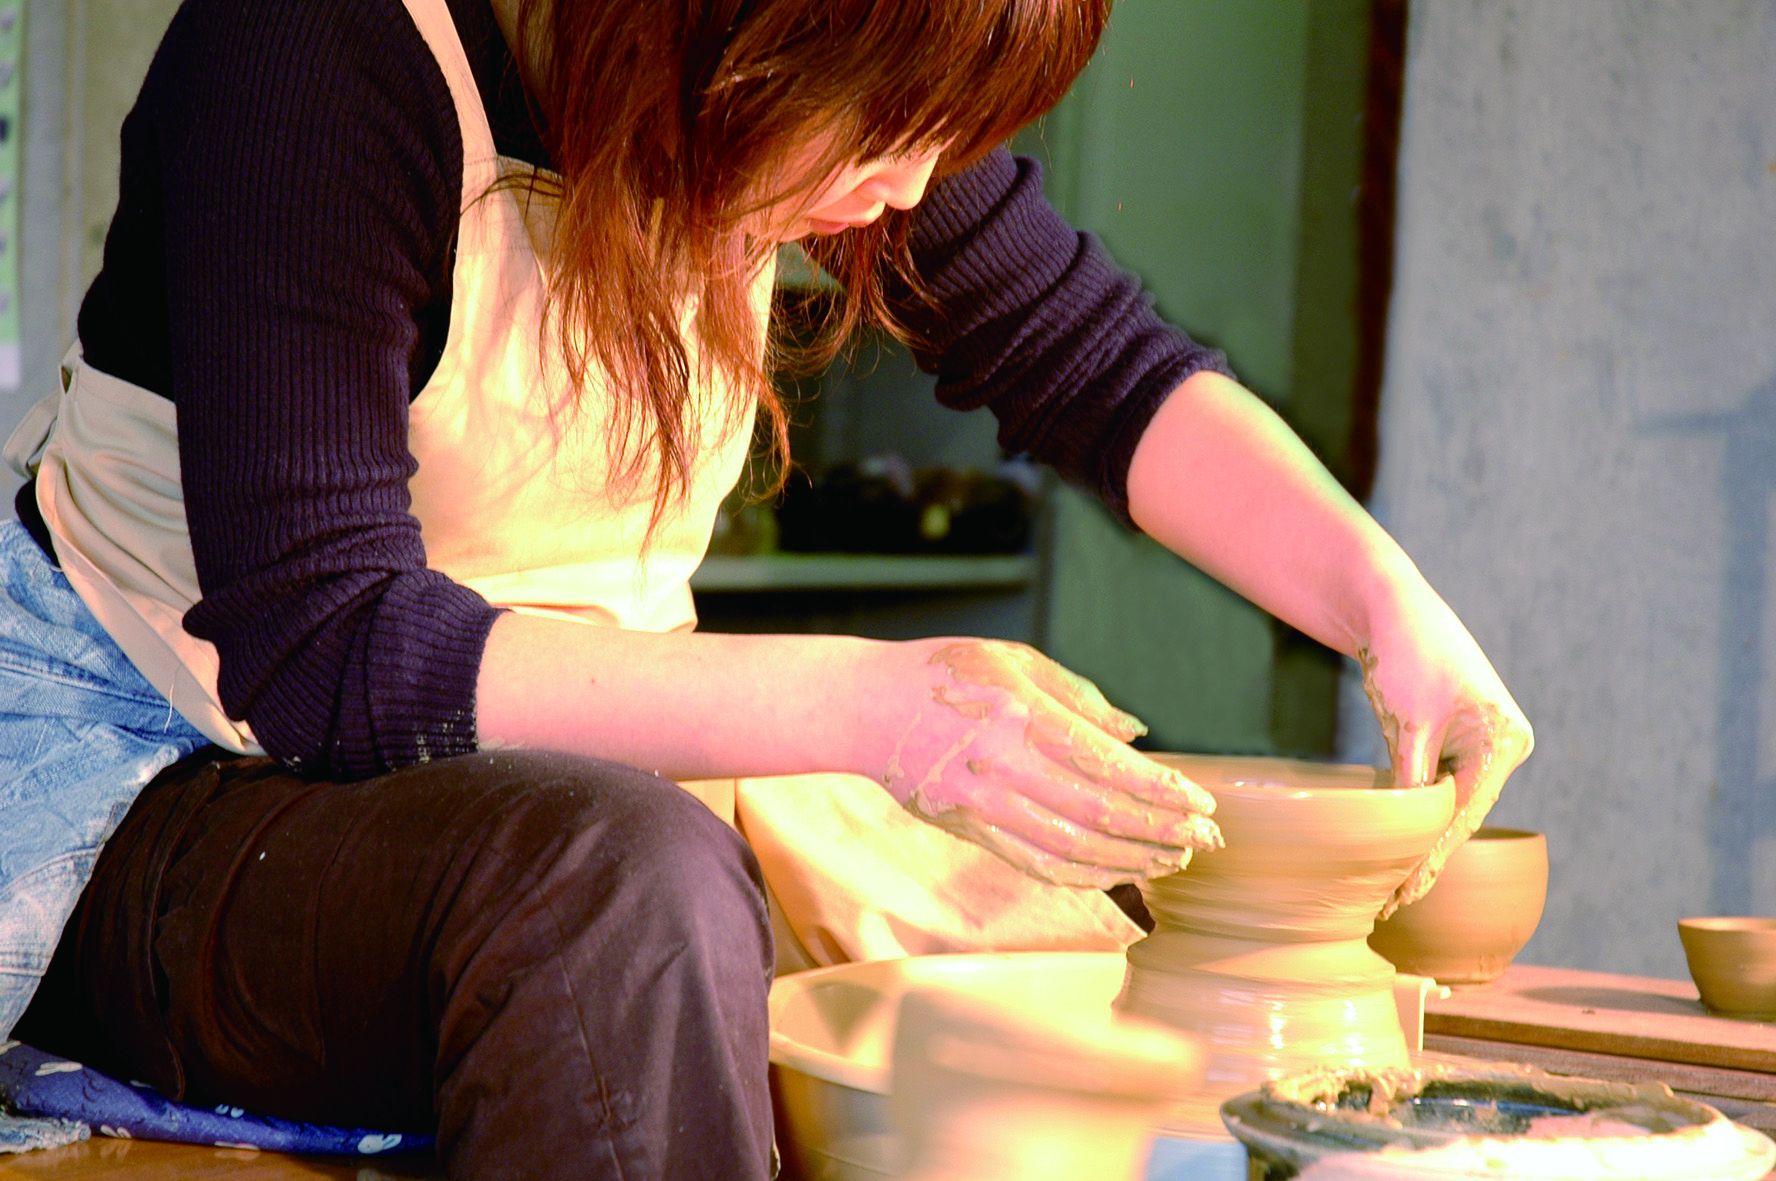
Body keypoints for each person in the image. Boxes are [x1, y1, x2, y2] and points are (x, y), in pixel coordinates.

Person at [0, 0, 1532, 1176]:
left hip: (534, 763)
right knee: (624, 893)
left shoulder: (787, 90)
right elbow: (327, 654)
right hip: (168, 768)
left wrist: (1386, 603)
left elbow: (1095, 370)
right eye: (887, 132)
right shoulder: (318, 61)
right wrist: (874, 710)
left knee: (1073, 920)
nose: (909, 187)